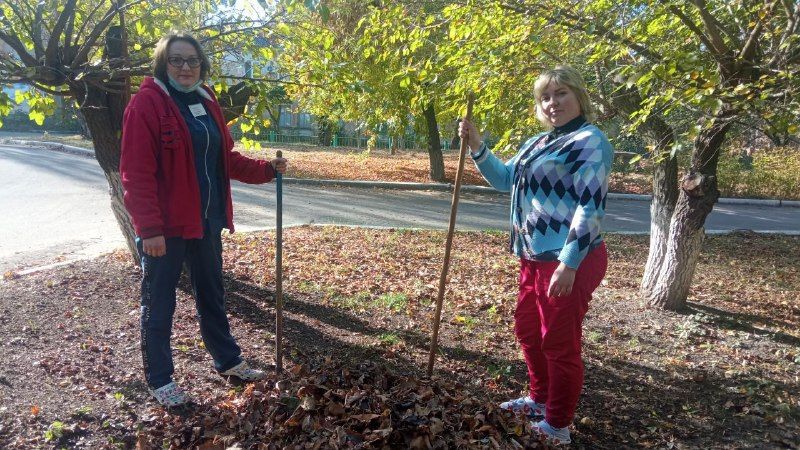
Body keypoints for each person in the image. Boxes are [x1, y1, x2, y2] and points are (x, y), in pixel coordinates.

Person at [120, 32, 288, 407]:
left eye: (192, 61)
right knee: (159, 302)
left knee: (213, 295)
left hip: (206, 221)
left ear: (201, 65)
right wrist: (149, 229)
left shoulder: (206, 100)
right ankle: (160, 379)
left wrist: (266, 170)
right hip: (166, 228)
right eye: (176, 60)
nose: (185, 67)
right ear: (163, 64)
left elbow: (223, 158)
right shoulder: (146, 104)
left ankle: (227, 360)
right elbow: (135, 173)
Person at [459, 65, 612, 445]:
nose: (552, 102)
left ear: (578, 96)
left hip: (569, 261)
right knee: (529, 330)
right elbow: (506, 180)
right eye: (545, 96)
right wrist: (478, 145)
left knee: (559, 341)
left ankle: (557, 426)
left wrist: (569, 262)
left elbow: (589, 207)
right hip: (533, 257)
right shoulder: (538, 143)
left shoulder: (590, 141)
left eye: (560, 93)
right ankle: (539, 399)